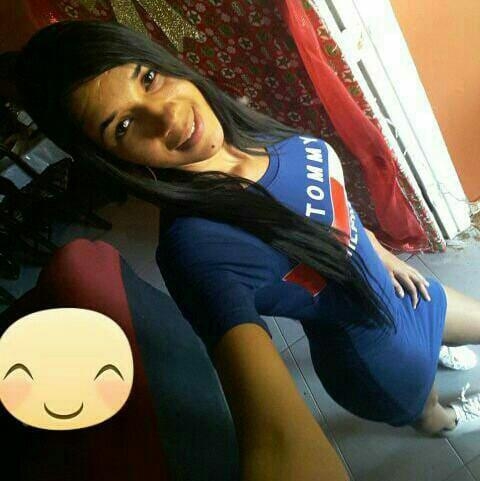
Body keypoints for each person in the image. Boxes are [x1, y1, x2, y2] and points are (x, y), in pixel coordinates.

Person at [7, 17, 480, 469]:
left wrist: (375, 248)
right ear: (110, 159)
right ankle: (446, 421)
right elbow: (277, 439)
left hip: (402, 293)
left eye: (148, 78)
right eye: (124, 126)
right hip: (380, 361)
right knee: (429, 411)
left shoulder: (242, 126)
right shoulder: (195, 250)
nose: (168, 116)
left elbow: (334, 209)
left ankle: (437, 347)